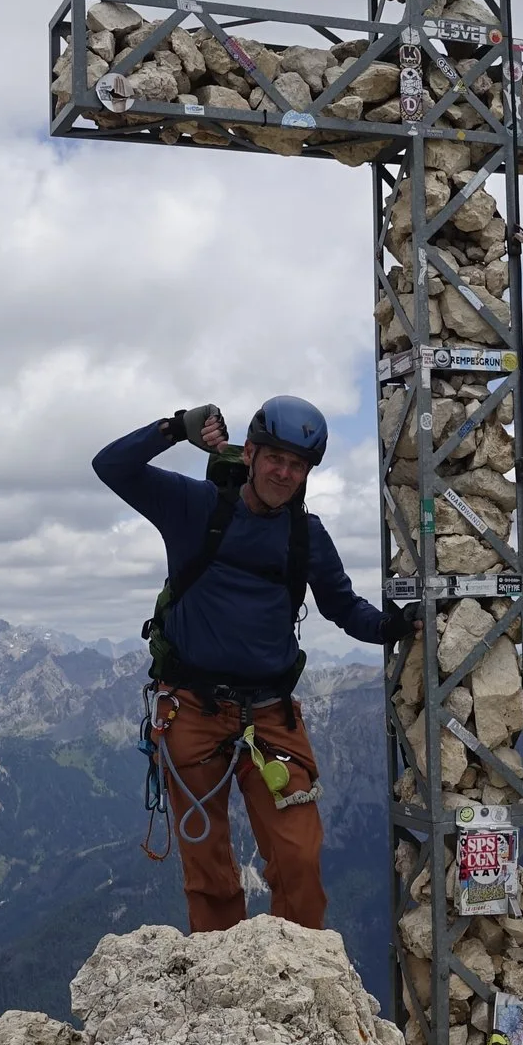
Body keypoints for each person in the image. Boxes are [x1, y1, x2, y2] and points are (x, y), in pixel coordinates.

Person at [94, 395, 410, 934]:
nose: (284, 474)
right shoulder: (194, 506)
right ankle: (224, 997)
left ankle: (301, 978)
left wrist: (390, 628)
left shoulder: (305, 535)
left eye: (298, 465)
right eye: (275, 459)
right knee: (209, 870)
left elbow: (341, 605)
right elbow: (111, 465)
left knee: (298, 862)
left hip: (269, 715)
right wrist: (174, 427)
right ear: (252, 454)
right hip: (192, 709)